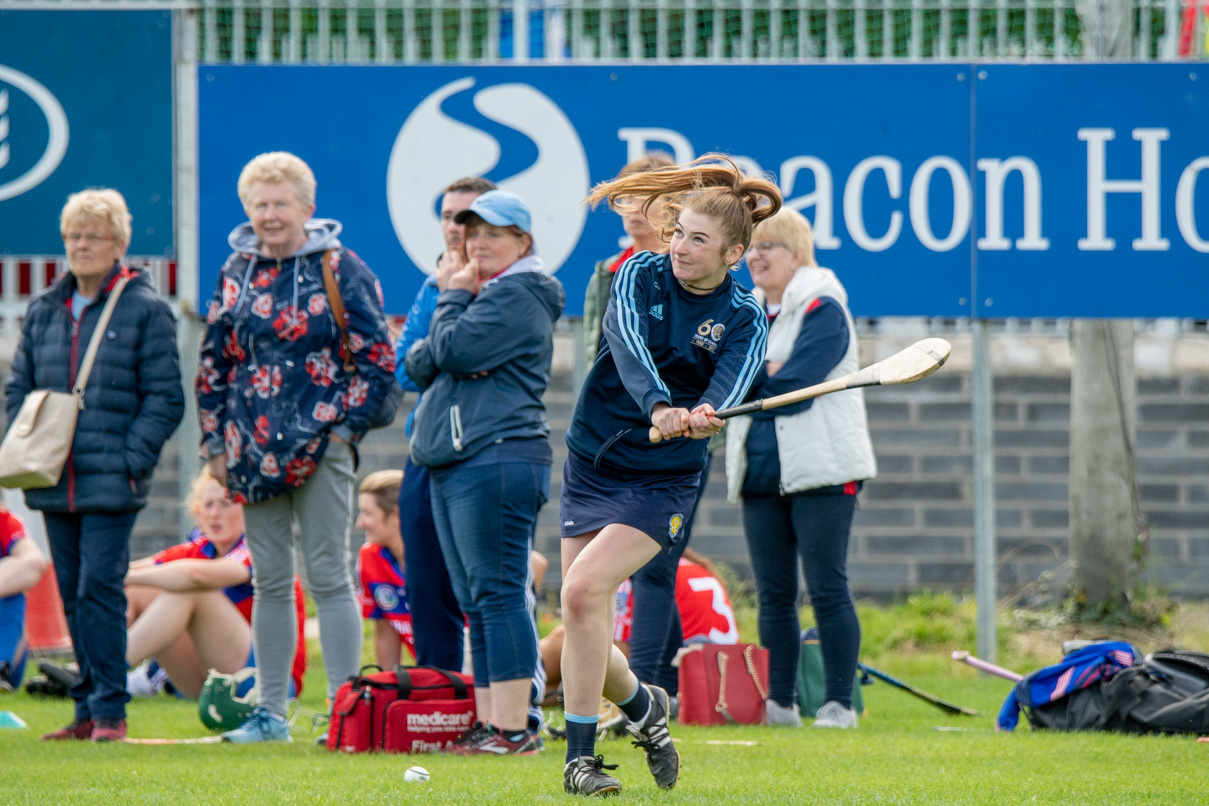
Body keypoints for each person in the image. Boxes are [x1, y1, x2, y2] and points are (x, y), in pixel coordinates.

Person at [559, 156, 779, 796]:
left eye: (698, 240)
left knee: (579, 594)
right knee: (583, 615)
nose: (680, 247)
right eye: (678, 232)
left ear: (733, 252)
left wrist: (710, 412)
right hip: (596, 454)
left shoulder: (743, 312)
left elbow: (735, 383)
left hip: (664, 479)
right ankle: (644, 708)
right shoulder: (639, 274)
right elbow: (625, 340)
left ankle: (580, 761)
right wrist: (662, 405)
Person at [197, 151, 396, 743]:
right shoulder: (235, 269)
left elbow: (377, 359)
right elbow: (214, 362)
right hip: (250, 451)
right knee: (270, 582)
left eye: (281, 203)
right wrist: (215, 445)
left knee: (331, 576)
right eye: (259, 204)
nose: (270, 214)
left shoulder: (341, 267)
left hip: (323, 446)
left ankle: (344, 713)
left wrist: (341, 432)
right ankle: (272, 714)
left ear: (307, 208)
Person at [4, 188, 184, 742]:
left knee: (98, 589)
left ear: (119, 244)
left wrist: (131, 460)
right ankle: (86, 710)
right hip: (54, 478)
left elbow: (165, 398)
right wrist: (27, 444)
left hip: (113, 479)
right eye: (74, 236)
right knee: (71, 591)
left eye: (94, 236)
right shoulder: (44, 309)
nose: (82, 246)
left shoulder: (145, 308)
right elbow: (19, 390)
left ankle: (110, 711)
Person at [405, 190, 564, 755]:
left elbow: (450, 352)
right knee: (475, 598)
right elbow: (418, 362)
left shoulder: (520, 291)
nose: (479, 243)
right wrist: (451, 323)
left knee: (498, 593)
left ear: (523, 242)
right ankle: (491, 724)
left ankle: (517, 728)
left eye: (494, 233)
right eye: (473, 232)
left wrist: (451, 299)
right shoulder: (483, 293)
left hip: (498, 454)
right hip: (461, 456)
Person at [723, 206, 876, 729]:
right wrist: (762, 375)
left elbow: (795, 390)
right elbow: (725, 381)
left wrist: (756, 377)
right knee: (773, 594)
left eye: (770, 246)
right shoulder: (745, 311)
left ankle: (838, 704)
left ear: (799, 254)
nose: (757, 257)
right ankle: (780, 705)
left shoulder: (824, 305)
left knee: (827, 587)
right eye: (752, 247)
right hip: (759, 473)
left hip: (824, 473)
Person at [395, 177, 496, 672]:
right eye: (449, 216)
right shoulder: (430, 285)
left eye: (468, 216)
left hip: (485, 450)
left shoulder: (507, 286)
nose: (457, 227)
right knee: (425, 580)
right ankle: (440, 694)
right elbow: (403, 366)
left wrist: (438, 355)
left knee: (485, 584)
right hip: (429, 445)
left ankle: (500, 708)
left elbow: (482, 359)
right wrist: (446, 355)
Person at [123, 469, 306, 700]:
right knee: (139, 590)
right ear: (197, 512)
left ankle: (104, 674)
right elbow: (135, 571)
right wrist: (100, 576)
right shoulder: (200, 548)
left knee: (193, 591)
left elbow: (197, 576)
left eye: (226, 504)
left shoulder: (259, 546)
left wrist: (120, 576)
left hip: (270, 680)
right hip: (212, 676)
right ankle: (93, 665)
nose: (215, 514)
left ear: (246, 508)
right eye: (208, 505)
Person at [541, 547, 737, 701]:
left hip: (683, 675)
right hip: (722, 675)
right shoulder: (690, 565)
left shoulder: (636, 570)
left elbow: (614, 655)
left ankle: (527, 682)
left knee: (568, 637)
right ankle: (544, 691)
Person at [353, 470, 415, 668]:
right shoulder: (370, 558)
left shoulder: (439, 558)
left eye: (368, 514)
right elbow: (386, 630)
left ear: (397, 514)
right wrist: (389, 689)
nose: (359, 523)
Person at [0, 507, 48, 692]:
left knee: (16, 576)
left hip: (8, 647)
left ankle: (2, 666)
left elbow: (34, 563)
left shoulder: (5, 521)